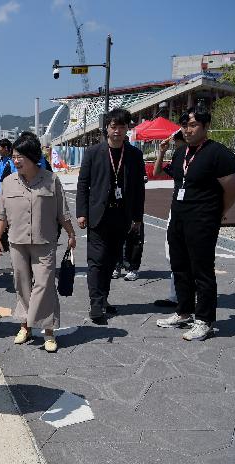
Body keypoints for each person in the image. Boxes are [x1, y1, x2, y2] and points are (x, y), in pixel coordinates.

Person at [155, 107, 235, 340]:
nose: (188, 129)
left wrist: (219, 212)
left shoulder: (218, 153)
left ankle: (204, 320)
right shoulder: (182, 153)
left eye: (193, 125)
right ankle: (184, 311)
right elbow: (168, 176)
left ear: (205, 127)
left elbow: (233, 187)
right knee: (179, 266)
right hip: (179, 218)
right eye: (185, 125)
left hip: (203, 220)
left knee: (202, 271)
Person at [0, 134, 77, 353]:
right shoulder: (7, 182)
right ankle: (25, 327)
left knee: (44, 285)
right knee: (22, 285)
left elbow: (62, 212)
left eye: (20, 156)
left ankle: (48, 331)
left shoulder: (51, 180)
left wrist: (71, 233)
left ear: (32, 157)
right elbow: (1, 215)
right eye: (14, 157)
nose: (16, 160)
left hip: (44, 240)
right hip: (17, 242)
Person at [76, 108, 146, 324]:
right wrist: (81, 212)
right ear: (106, 128)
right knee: (96, 260)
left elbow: (139, 189)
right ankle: (96, 304)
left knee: (111, 260)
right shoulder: (93, 152)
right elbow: (83, 185)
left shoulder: (134, 154)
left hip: (122, 215)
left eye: (122, 127)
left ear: (127, 129)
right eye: (113, 126)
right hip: (98, 215)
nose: (117, 131)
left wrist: (137, 217)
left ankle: (104, 298)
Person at [152, 130, 186, 307]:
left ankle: (185, 295)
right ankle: (176, 295)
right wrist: (162, 152)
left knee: (185, 253)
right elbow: (157, 172)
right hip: (177, 208)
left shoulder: (200, 156)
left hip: (193, 210)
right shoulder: (179, 156)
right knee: (172, 251)